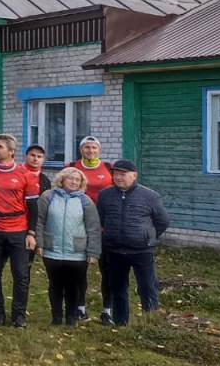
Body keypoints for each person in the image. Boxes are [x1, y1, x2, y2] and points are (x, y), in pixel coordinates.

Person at [96, 160, 169, 327]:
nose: (118, 177)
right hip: (114, 250)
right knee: (118, 288)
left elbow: (163, 221)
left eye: (123, 174)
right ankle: (120, 322)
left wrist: (147, 237)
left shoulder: (150, 196)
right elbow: (101, 219)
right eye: (115, 174)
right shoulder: (105, 195)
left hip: (141, 251)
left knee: (147, 287)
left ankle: (150, 322)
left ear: (134, 175)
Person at [0, 134, 42, 327]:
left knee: (21, 274)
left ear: (11, 151)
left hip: (18, 230)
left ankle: (19, 315)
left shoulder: (25, 174)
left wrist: (32, 233)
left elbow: (33, 206)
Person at [36, 167, 101, 325]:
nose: (74, 182)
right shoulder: (48, 196)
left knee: (73, 287)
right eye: (70, 178)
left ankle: (71, 317)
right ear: (62, 179)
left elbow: (93, 228)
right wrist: (40, 243)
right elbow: (39, 221)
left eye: (77, 180)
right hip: (52, 251)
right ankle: (56, 317)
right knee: (55, 285)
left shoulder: (85, 201)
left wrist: (93, 252)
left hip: (77, 252)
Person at [72, 135, 115, 322]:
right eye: (87, 148)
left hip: (105, 226)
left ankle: (108, 310)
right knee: (79, 269)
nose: (91, 151)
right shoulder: (73, 167)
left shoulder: (108, 168)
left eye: (94, 148)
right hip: (80, 225)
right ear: (81, 150)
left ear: (99, 150)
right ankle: (80, 308)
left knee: (108, 270)